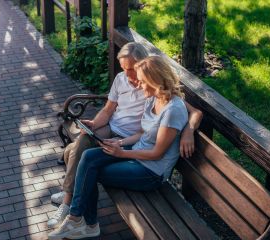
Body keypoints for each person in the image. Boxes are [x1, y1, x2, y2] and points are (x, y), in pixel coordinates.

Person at [47, 43, 203, 228]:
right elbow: (109, 110)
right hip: (125, 139)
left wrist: (188, 131)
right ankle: (75, 209)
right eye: (125, 69)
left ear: (144, 67)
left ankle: (73, 208)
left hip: (140, 152)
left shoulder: (159, 94)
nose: (132, 77)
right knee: (81, 148)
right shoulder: (133, 85)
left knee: (78, 157)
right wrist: (96, 125)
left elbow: (193, 113)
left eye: (131, 70)